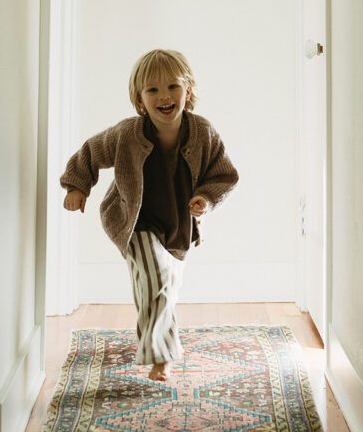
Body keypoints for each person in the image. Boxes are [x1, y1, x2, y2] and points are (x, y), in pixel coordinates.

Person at [61, 48, 239, 382]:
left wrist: (205, 198)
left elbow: (224, 174)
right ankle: (161, 357)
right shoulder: (127, 133)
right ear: (140, 99)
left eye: (173, 86)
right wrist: (77, 185)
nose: (164, 97)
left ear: (188, 90)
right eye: (153, 90)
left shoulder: (202, 132)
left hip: (177, 225)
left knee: (166, 284)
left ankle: (161, 338)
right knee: (155, 277)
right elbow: (90, 151)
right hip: (135, 221)